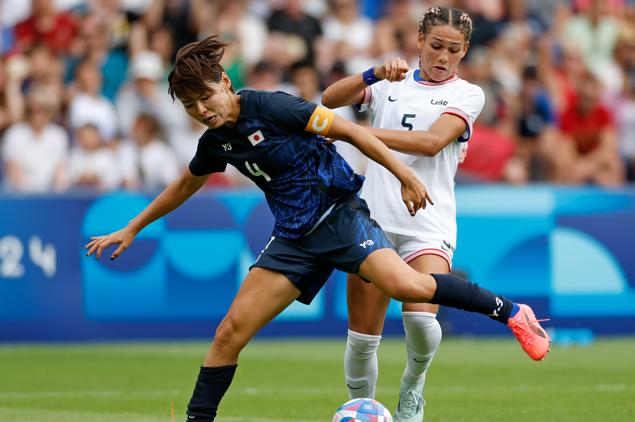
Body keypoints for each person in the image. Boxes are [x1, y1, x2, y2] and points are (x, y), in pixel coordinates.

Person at [85, 36, 549, 422]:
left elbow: (353, 133)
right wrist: (132, 228)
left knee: (408, 286)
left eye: (206, 97)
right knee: (229, 332)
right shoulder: (216, 140)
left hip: (340, 216)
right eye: (190, 105)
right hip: (293, 238)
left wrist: (405, 174)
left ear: (225, 82)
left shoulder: (274, 107)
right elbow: (187, 182)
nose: (202, 109)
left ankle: (510, 311)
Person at [321, 7, 544, 421]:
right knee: (361, 340)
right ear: (420, 39)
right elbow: (329, 100)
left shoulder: (468, 94)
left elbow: (428, 142)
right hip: (372, 219)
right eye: (436, 46)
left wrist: (354, 132)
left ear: (465, 52)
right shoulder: (392, 84)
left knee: (421, 323)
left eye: (453, 50)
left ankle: (412, 385)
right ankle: (362, 411)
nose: (443, 56)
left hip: (428, 219)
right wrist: (371, 75)